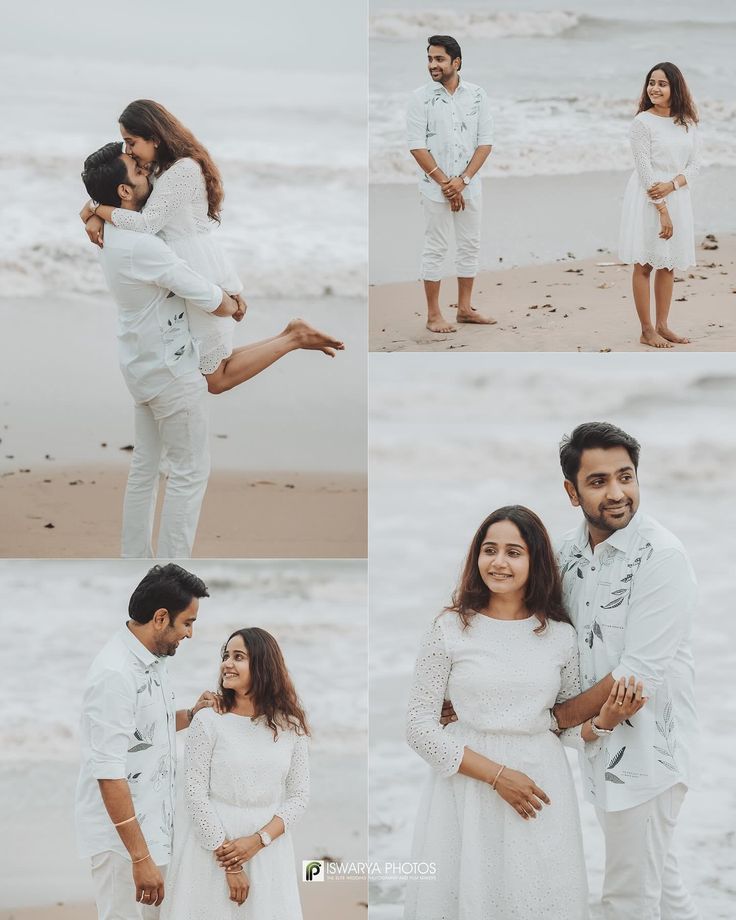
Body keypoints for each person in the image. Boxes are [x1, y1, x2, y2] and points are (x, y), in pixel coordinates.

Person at [404, 505, 643, 919]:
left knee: (539, 899)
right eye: (489, 550)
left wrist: (605, 721)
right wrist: (498, 776)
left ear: (535, 561)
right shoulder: (449, 628)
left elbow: (558, 726)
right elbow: (419, 728)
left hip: (539, 788)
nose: (498, 562)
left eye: (514, 552)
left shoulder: (559, 636)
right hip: (468, 788)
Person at [81, 100, 343, 392]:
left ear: (154, 137)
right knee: (213, 365)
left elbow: (145, 224)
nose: (128, 151)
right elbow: (129, 201)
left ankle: (295, 338)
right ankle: (293, 334)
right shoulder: (157, 168)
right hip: (184, 266)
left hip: (199, 268)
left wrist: (96, 210)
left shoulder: (183, 170)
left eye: (131, 142)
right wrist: (93, 209)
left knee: (217, 378)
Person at [552, 422, 699, 919]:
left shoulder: (662, 558)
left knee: (625, 902)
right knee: (664, 895)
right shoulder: (565, 555)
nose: (617, 493)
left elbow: (634, 676)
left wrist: (550, 716)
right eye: (598, 481)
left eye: (626, 476)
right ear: (572, 492)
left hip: (648, 759)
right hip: (600, 750)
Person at [75, 564, 221, 920]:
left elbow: (143, 730)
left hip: (154, 828)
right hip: (122, 844)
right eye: (188, 623)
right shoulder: (115, 675)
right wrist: (140, 858)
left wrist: (190, 714)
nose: (189, 634)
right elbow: (109, 774)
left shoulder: (152, 660)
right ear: (160, 618)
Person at [161, 627, 309, 919]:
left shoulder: (291, 726)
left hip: (269, 852)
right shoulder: (209, 720)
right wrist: (232, 863)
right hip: (213, 847)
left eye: (238, 657)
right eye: (225, 656)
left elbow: (300, 796)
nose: (227, 663)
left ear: (263, 665)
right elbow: (194, 794)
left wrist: (259, 840)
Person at [407, 36, 495, 334]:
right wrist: (447, 184)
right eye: (430, 58)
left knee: (470, 245)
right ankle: (433, 315)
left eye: (439, 59)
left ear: (456, 62)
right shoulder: (420, 98)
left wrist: (462, 181)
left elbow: (485, 143)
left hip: (470, 184)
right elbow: (417, 147)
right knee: (436, 247)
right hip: (434, 188)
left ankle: (465, 309)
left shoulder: (478, 95)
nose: (433, 64)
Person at [618, 64, 700, 349]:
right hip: (647, 197)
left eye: (662, 83)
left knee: (669, 264)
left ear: (674, 88)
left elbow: (695, 166)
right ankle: (646, 329)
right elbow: (644, 170)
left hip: (677, 197)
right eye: (651, 82)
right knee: (645, 264)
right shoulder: (642, 122)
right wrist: (662, 207)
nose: (654, 88)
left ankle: (663, 325)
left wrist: (674, 185)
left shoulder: (686, 121)